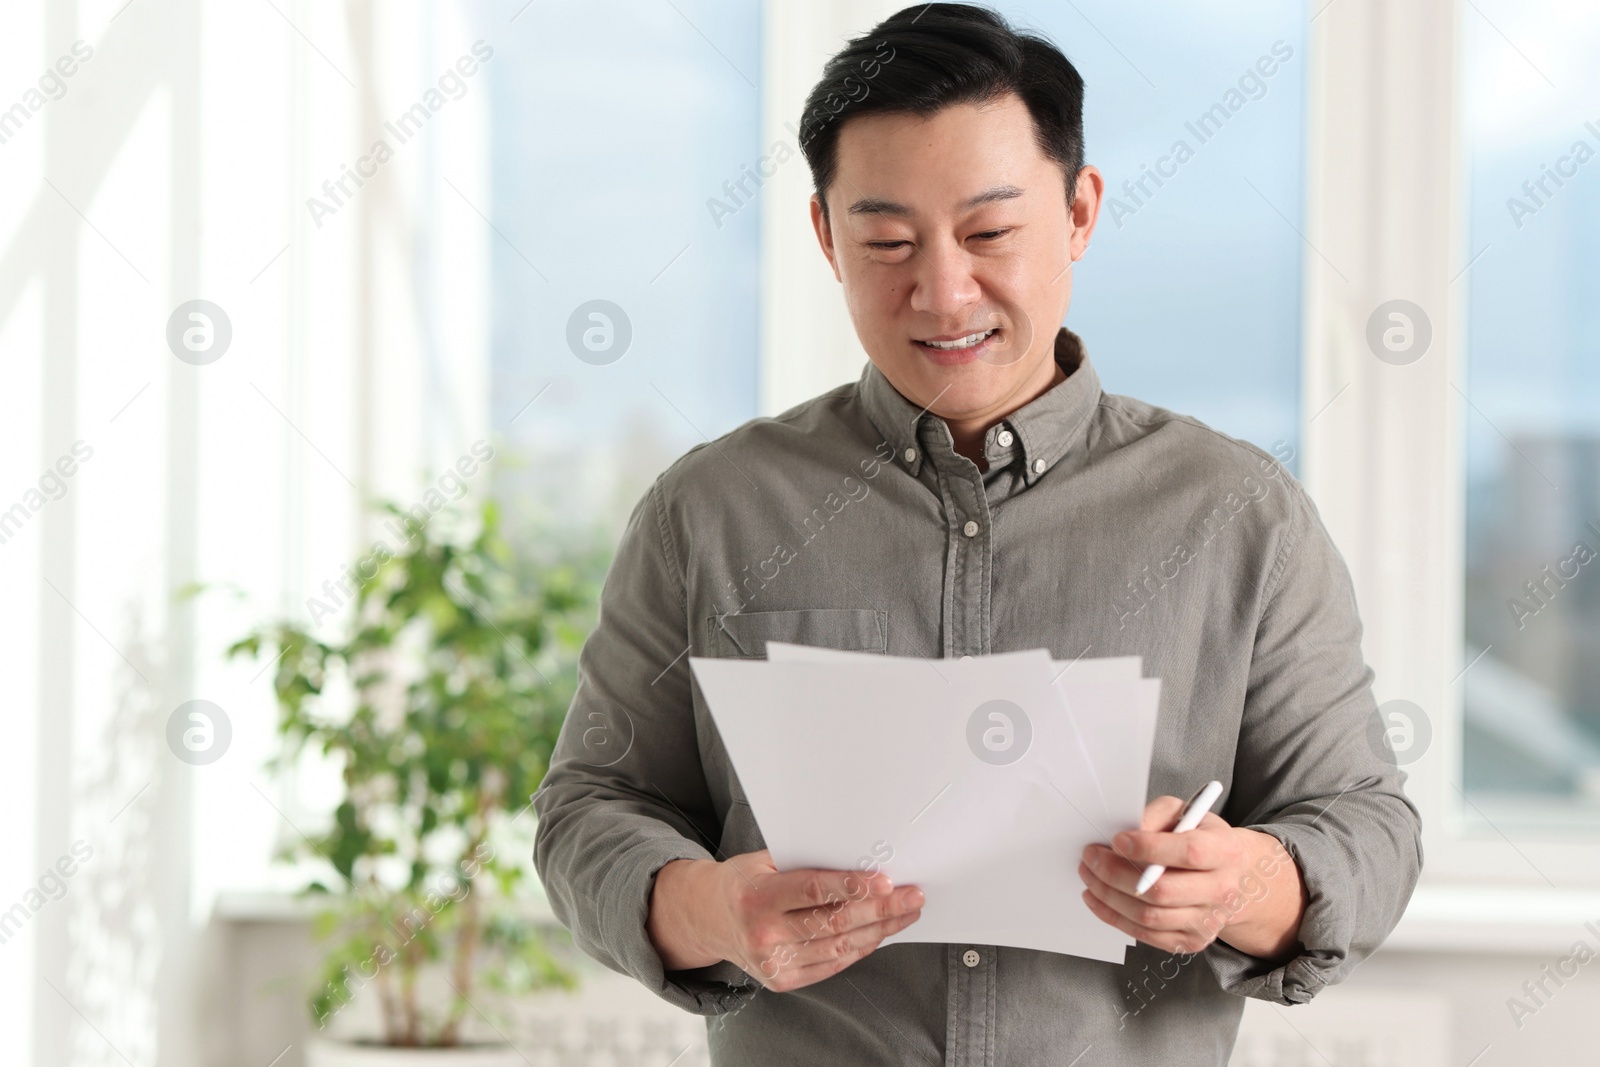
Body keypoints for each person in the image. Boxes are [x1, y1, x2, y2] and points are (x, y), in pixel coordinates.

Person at [533, 5, 1421, 1063]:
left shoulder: (1241, 514)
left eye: (990, 233)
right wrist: (708, 909)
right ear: (825, 236)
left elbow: (1367, 823)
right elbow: (589, 806)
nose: (944, 291)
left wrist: (1243, 883)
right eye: (888, 242)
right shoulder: (711, 510)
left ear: (1081, 212)